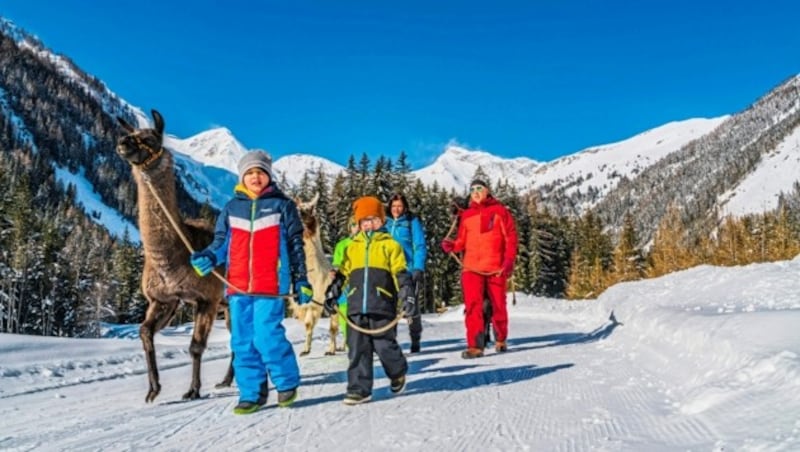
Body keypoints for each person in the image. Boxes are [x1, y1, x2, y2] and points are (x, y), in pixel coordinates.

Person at [189, 150, 313, 414]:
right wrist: (209, 257)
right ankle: (251, 392)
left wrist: (301, 280)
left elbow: (295, 247)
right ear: (241, 177)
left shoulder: (283, 206)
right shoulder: (232, 209)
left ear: (269, 176)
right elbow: (221, 244)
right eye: (250, 172)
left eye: (260, 172)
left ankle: (286, 382)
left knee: (267, 335)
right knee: (242, 341)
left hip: (271, 286)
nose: (255, 177)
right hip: (238, 287)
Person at [324, 196, 416, 405]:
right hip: (356, 306)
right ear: (357, 223)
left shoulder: (390, 246)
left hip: (382, 304)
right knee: (357, 349)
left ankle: (397, 372)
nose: (369, 224)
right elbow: (342, 274)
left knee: (385, 347)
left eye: (374, 219)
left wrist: (407, 294)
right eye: (364, 220)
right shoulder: (351, 247)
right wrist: (332, 293)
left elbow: (400, 273)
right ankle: (359, 389)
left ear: (382, 221)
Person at [441, 178, 518, 359]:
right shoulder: (467, 215)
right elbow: (462, 241)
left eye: (479, 188)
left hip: (495, 267)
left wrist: (508, 261)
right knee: (473, 306)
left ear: (487, 191)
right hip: (471, 267)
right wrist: (452, 245)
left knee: (498, 304)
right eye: (472, 189)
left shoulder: (500, 212)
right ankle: (475, 345)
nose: (475, 192)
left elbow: (511, 238)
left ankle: (500, 338)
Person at [385, 193, 427, 353]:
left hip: (407, 270)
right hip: (388, 270)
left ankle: (415, 337)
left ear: (405, 207)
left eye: (399, 206)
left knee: (411, 306)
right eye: (394, 206)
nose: (396, 209)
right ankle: (391, 341)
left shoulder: (411, 221)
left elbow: (419, 245)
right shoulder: (385, 222)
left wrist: (418, 268)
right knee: (388, 307)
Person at [329, 216, 359, 344]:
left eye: (358, 224)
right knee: (344, 311)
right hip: (345, 283)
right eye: (353, 225)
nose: (356, 228)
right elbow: (336, 264)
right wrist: (334, 272)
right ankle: (349, 342)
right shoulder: (342, 245)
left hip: (362, 282)